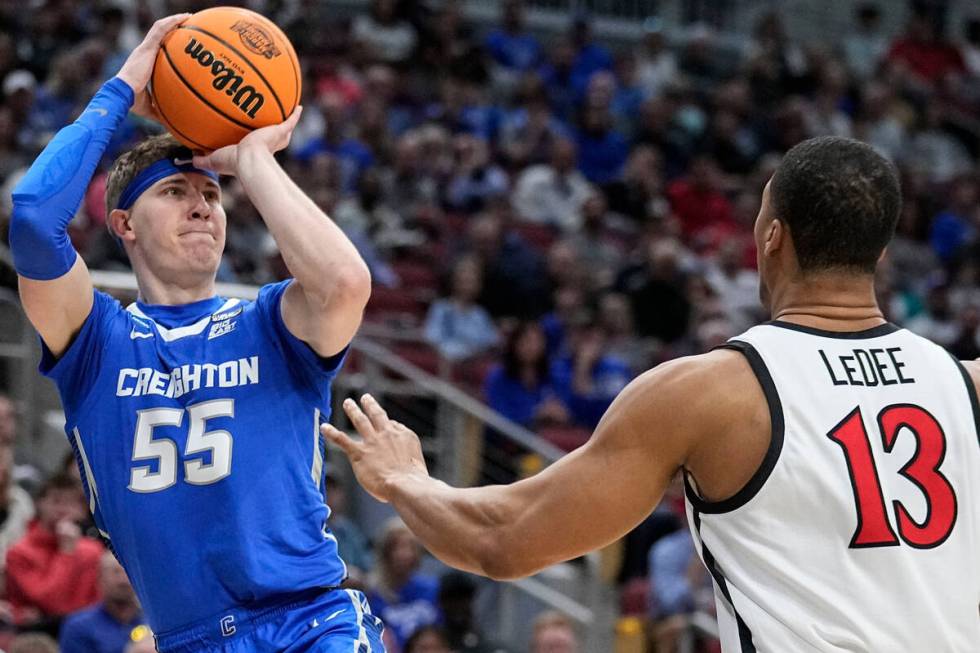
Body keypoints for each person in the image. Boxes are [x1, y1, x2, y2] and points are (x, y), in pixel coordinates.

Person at [323, 136, 980, 651]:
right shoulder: (968, 385)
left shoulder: (713, 393)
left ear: (772, 237)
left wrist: (407, 480)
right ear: (883, 251)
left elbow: (505, 538)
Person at [8, 15, 384, 653]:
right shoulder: (97, 341)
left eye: (213, 193)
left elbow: (347, 285)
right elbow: (32, 219)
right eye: (177, 191)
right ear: (123, 224)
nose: (203, 206)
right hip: (185, 639)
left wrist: (253, 159)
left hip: (309, 623)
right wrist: (125, 85)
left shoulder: (270, 321)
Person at [5, 473, 102, 632]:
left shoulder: (93, 552)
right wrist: (66, 553)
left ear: (83, 510)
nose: (63, 509)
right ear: (39, 504)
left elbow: (98, 606)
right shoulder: (19, 552)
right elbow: (51, 603)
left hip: (85, 635)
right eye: (56, 501)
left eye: (71, 503)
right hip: (35, 634)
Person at [365, 519, 440, 650]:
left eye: (410, 547)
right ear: (385, 552)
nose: (404, 554)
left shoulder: (431, 589)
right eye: (397, 547)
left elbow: (440, 636)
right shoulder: (373, 594)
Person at [59, 552, 145, 653]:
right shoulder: (79, 627)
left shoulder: (153, 622)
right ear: (100, 578)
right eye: (115, 572)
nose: (123, 580)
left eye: (127, 572)